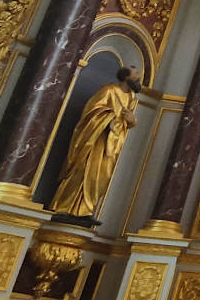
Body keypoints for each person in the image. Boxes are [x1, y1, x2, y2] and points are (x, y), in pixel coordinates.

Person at [48, 66, 142, 219]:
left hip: (112, 144)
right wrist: (109, 118)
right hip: (95, 140)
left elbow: (128, 121)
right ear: (126, 77)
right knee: (83, 171)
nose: (138, 77)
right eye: (136, 74)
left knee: (101, 177)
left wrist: (132, 121)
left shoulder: (132, 97)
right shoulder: (109, 90)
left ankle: (86, 210)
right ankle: (63, 207)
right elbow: (92, 110)